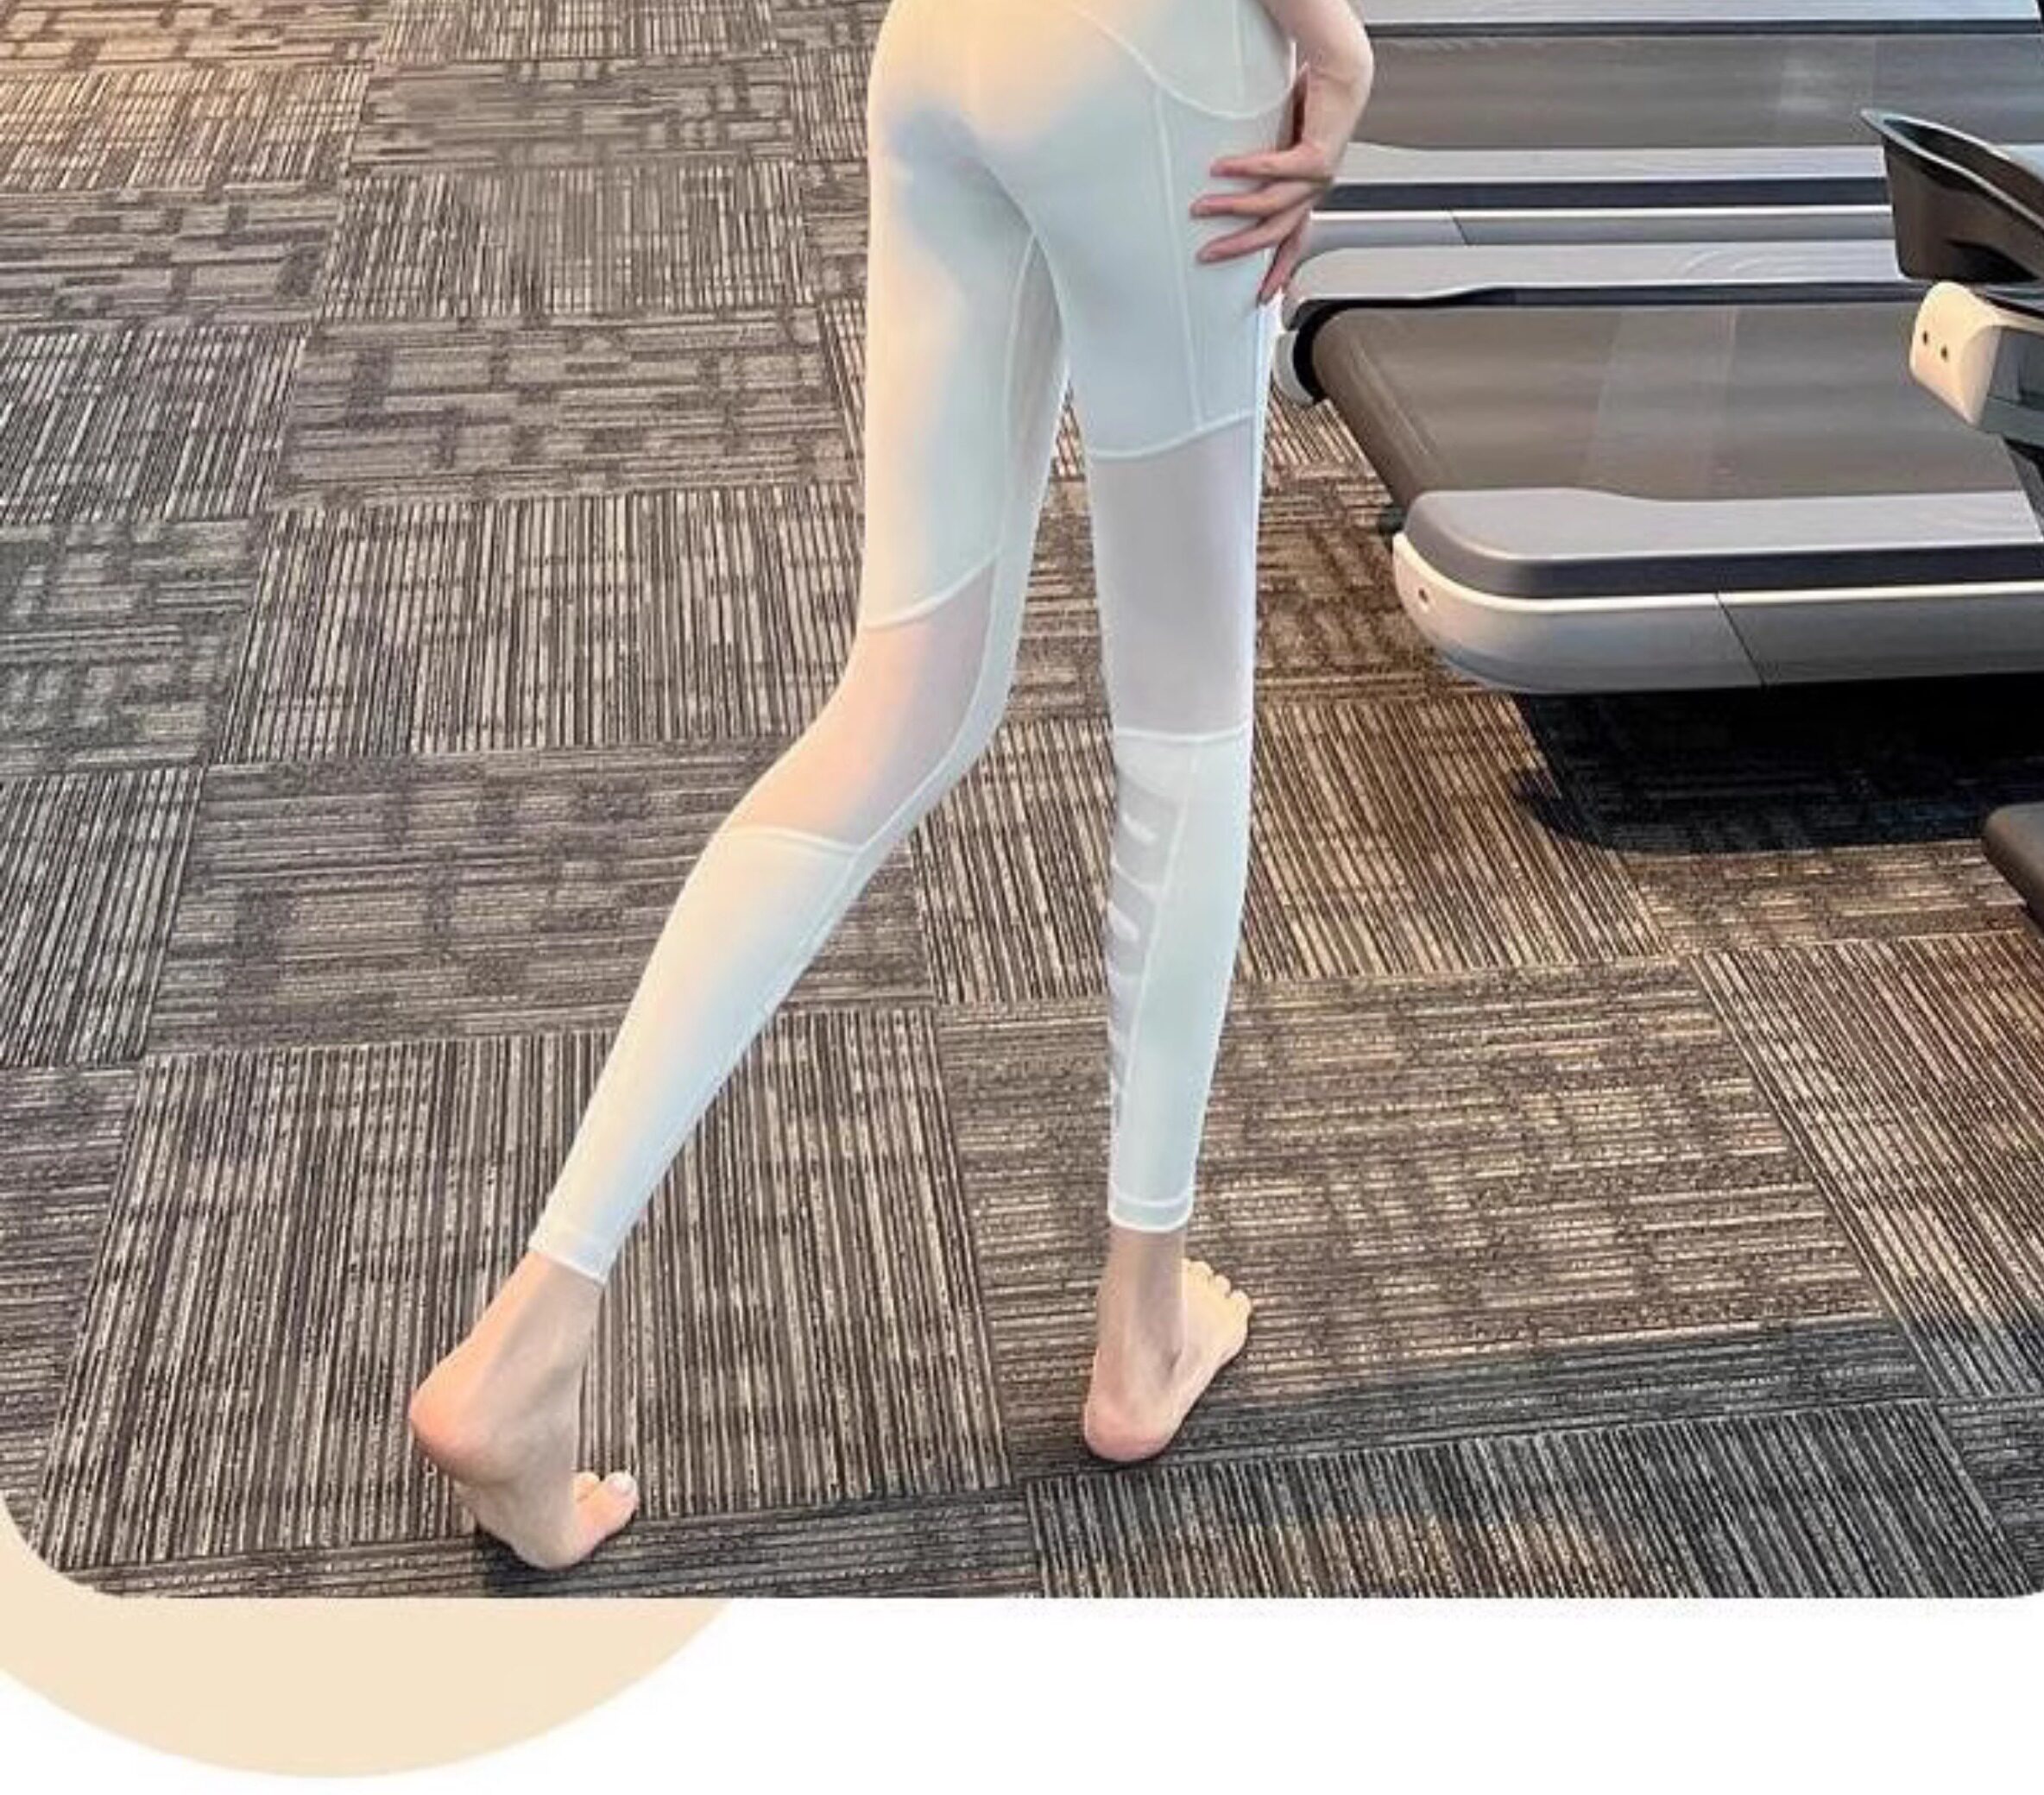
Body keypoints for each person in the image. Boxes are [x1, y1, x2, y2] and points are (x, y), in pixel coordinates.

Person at [408, 0, 1377, 1571]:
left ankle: (534, 1330)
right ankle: (1141, 1331)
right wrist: (1335, 51)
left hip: (947, 55)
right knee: (1187, 722)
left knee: (902, 696)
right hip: (1161, 67)